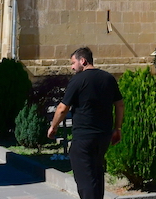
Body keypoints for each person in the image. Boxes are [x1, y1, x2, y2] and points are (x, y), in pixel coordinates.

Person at [47, 47, 124, 199]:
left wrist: (53, 126)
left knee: (85, 179)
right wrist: (118, 128)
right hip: (103, 136)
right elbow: (120, 104)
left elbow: (62, 108)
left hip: (83, 137)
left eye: (73, 63)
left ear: (83, 61)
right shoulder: (108, 78)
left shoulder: (78, 80)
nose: (72, 67)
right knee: (96, 174)